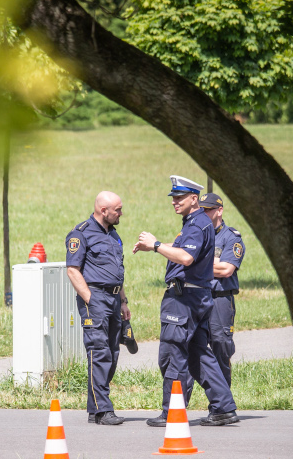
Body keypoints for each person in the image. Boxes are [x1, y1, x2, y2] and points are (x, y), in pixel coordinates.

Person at [133, 176, 239, 427]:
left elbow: (186, 257)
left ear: (194, 199)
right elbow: (188, 250)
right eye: (173, 198)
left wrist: (156, 244)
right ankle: (223, 407)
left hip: (184, 299)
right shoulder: (199, 222)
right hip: (197, 296)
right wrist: (155, 247)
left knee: (173, 353)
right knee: (199, 355)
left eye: (179, 197)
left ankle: (172, 412)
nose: (174, 202)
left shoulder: (195, 224)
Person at [65, 191, 131, 425]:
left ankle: (94, 409)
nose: (121, 213)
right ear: (104, 210)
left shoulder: (114, 235)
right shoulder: (81, 234)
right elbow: (73, 270)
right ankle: (104, 410)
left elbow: (117, 271)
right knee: (99, 351)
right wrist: (90, 300)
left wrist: (123, 301)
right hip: (95, 298)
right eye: (118, 210)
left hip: (113, 300)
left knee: (112, 352)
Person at [199, 192, 245, 385]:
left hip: (220, 299)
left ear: (220, 210)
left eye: (208, 209)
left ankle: (223, 407)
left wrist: (196, 265)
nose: (203, 212)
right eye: (201, 209)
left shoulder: (231, 238)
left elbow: (226, 269)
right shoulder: (197, 234)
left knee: (221, 346)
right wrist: (213, 264)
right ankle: (178, 407)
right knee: (191, 348)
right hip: (198, 296)